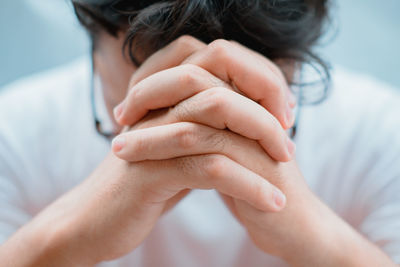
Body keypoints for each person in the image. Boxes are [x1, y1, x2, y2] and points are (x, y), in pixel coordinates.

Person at [0, 0, 399, 266]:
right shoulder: (14, 132)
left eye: (249, 99)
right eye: (156, 103)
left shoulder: (382, 132)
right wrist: (65, 238)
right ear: (93, 40)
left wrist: (317, 239)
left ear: (296, 56)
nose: (201, 134)